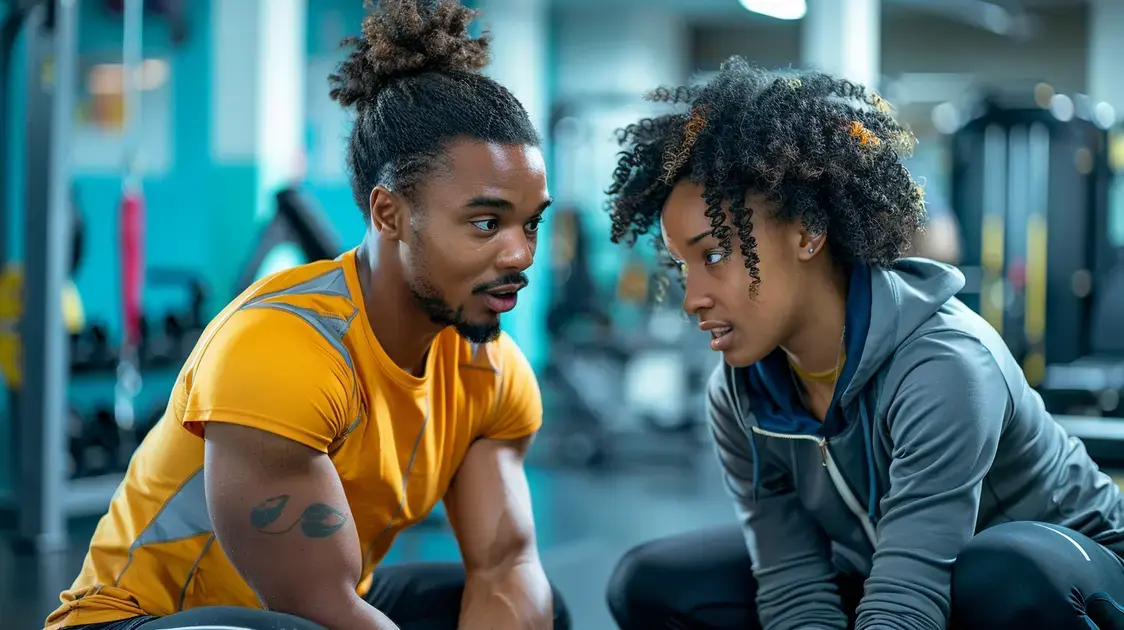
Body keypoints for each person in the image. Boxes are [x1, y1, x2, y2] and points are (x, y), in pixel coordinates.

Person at [45, 1, 568, 629]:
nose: (520, 253)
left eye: (529, 222)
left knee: (526, 604)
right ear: (388, 214)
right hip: (134, 620)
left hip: (310, 613)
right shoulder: (282, 351)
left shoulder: (491, 373)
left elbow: (506, 564)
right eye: (486, 222)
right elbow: (321, 607)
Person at [600, 58, 1124, 630]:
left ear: (807, 232)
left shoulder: (945, 363)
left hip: (1070, 580)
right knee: (654, 583)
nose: (691, 297)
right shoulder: (741, 395)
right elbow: (794, 584)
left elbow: (908, 599)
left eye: (717, 255)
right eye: (683, 266)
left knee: (1002, 573)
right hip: (889, 566)